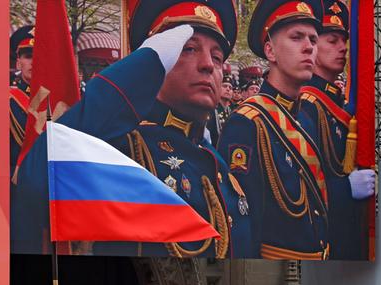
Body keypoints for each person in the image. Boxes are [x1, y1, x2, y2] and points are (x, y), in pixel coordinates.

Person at [13, 1, 247, 259]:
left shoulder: (219, 165)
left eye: (217, 57)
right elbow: (38, 178)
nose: (208, 65)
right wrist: (144, 65)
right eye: (188, 49)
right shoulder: (121, 147)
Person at [217, 0, 329, 259]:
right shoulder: (246, 122)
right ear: (270, 51)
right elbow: (243, 222)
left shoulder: (308, 119)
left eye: (313, 39)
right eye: (296, 37)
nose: (309, 47)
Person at [299, 0, 376, 260]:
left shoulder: (335, 102)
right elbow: (300, 187)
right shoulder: (306, 105)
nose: (342, 48)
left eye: (344, 41)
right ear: (312, 46)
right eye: (332, 41)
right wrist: (345, 189)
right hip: (324, 242)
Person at [9, 25, 34, 169]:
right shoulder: (9, 101)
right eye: (28, 56)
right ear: (19, 63)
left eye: (40, 55)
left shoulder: (59, 101)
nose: (34, 61)